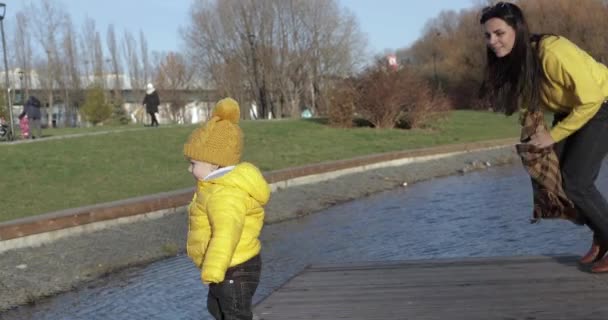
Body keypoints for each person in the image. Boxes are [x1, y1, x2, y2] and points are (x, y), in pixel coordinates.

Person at [480, 2, 608, 272]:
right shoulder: (517, 60)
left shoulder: (552, 52)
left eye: (499, 33)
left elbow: (592, 100)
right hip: (571, 111)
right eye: (488, 35)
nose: (492, 41)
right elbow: (530, 101)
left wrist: (554, 136)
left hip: (601, 105)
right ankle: (602, 231)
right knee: (552, 182)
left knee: (577, 182)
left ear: (517, 29)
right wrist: (533, 131)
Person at [183, 97, 271, 319]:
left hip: (235, 268)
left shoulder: (225, 195)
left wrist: (213, 270)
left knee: (233, 312)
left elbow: (226, 234)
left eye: (193, 163)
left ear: (214, 163)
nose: (189, 169)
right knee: (216, 307)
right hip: (230, 266)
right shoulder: (213, 188)